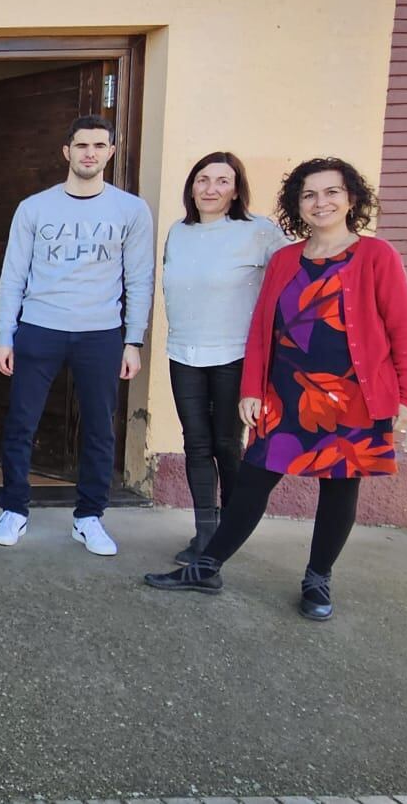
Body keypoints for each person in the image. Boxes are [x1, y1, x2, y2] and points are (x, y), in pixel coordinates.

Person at [146, 158, 407, 621]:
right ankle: (207, 566)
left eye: (331, 192)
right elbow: (260, 330)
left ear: (351, 199)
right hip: (286, 393)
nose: (321, 203)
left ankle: (318, 581)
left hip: (354, 395)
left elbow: (403, 332)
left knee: (338, 489)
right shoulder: (284, 260)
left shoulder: (378, 256)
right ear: (298, 204)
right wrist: (252, 388)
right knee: (254, 477)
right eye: (309, 194)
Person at [0, 114, 156, 557]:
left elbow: (139, 278)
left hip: (101, 333)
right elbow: (13, 276)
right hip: (40, 327)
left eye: (99, 146)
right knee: (21, 424)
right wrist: (5, 334)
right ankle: (14, 510)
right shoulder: (35, 207)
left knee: (100, 428)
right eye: (82, 145)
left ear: (111, 152)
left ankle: (89, 517)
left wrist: (133, 340)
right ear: (66, 151)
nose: (90, 153)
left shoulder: (131, 209)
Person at [158, 152, 286, 564]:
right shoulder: (178, 232)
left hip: (234, 356)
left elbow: (291, 283)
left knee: (228, 446)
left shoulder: (259, 232)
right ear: (191, 186)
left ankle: (230, 534)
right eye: (202, 180)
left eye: (222, 181)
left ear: (236, 191)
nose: (210, 189)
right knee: (196, 445)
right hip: (184, 353)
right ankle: (204, 535)